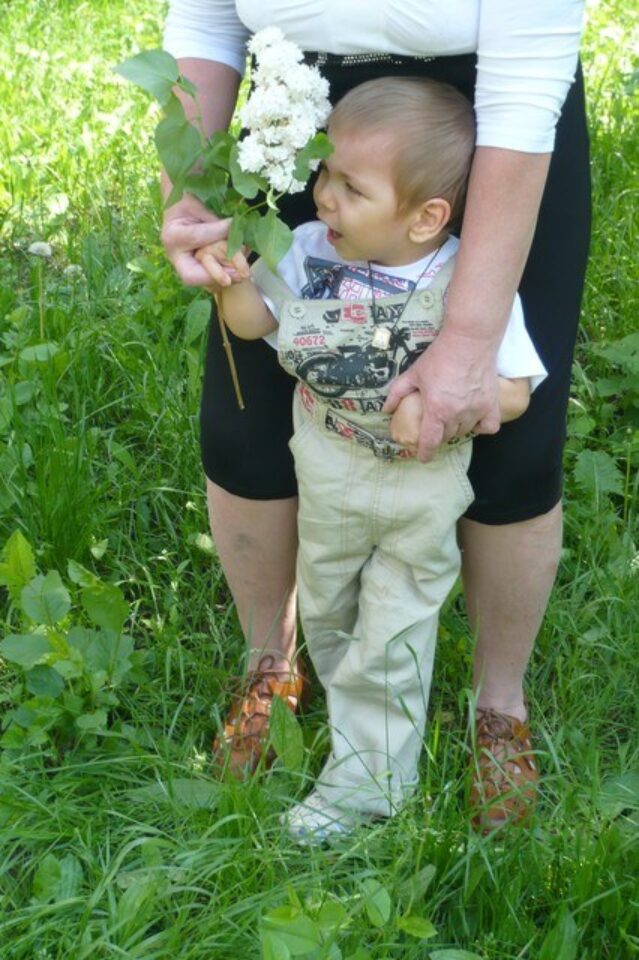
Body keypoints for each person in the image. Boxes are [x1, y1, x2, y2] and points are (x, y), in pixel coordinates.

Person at [161, 1, 590, 830]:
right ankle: (270, 665)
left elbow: (530, 66)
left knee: (515, 454)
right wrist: (189, 198)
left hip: (491, 120)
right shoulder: (322, 218)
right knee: (244, 428)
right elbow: (207, 19)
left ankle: (496, 708)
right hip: (297, 102)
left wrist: (468, 342)